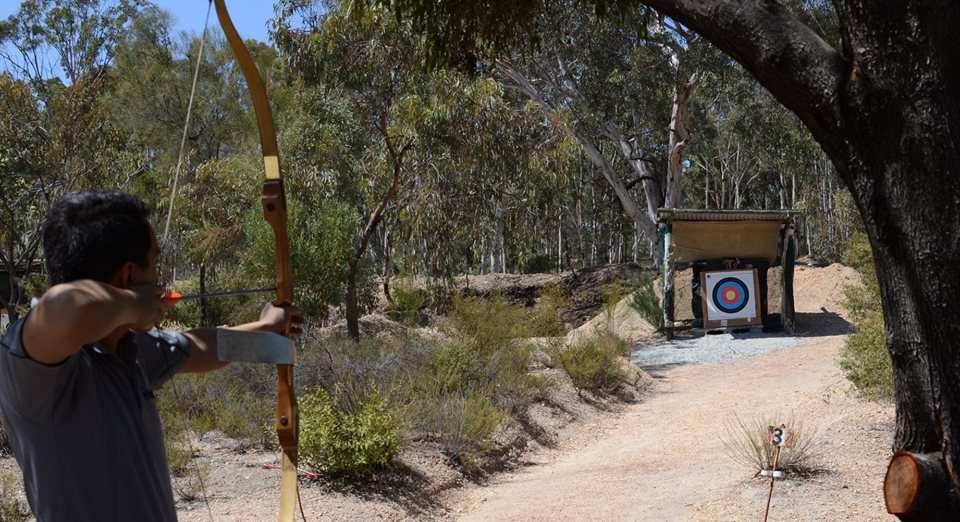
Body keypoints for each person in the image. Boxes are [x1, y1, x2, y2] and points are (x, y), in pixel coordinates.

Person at [0, 189, 303, 521]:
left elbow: (201, 348)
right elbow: (66, 306)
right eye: (156, 263)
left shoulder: (128, 347)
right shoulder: (34, 369)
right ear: (130, 275)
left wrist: (268, 329)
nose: (160, 280)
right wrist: (136, 304)